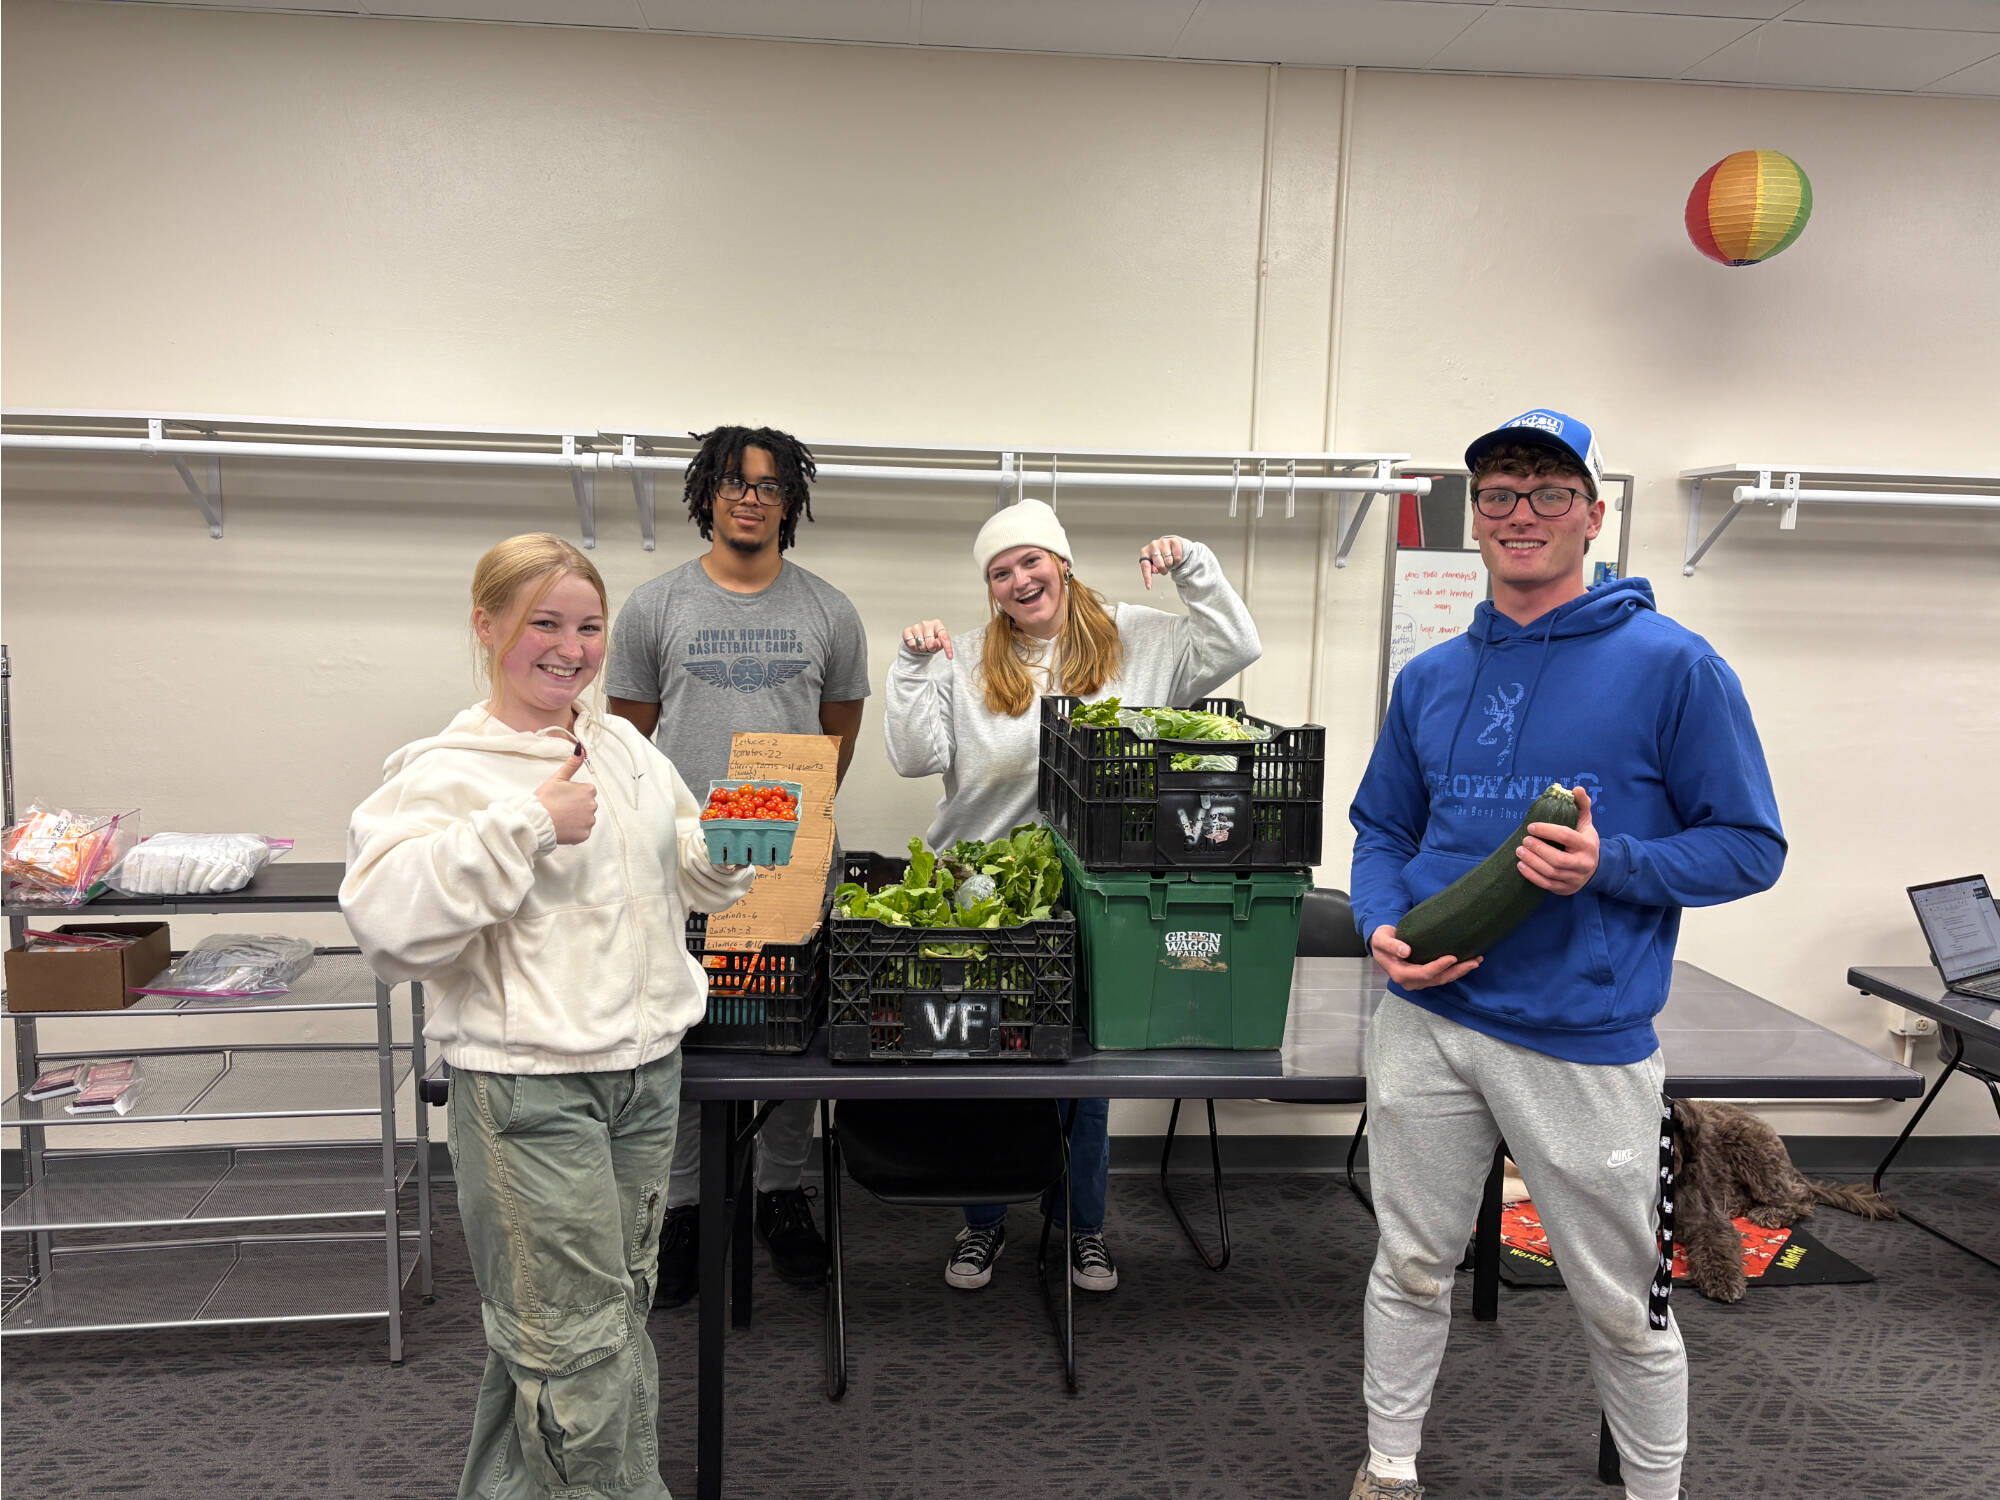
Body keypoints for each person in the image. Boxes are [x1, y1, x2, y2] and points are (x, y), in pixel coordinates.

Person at [1345, 410, 1786, 1500]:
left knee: (1617, 1299)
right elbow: (1381, 832)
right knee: (1406, 1264)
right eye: (1497, 492)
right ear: (1473, 518)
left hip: (1579, 1044)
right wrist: (1379, 928)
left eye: (1548, 491)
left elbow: (1748, 847)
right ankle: (1387, 1466)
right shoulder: (1431, 678)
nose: (1520, 513)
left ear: (1592, 515)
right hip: (1427, 1023)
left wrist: (1609, 865)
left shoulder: (1672, 667)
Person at [342, 533, 755, 1500]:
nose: (570, 648)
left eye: (589, 626)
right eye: (544, 624)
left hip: (646, 1078)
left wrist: (723, 856)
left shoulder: (623, 747)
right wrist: (525, 825)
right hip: (528, 1091)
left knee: (592, 1323)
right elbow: (387, 927)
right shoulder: (444, 770)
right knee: (571, 1346)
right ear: (486, 627)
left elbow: (679, 869)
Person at [886, 497, 1260, 1293]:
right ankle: (983, 1223)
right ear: (990, 588)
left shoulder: (1142, 638)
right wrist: (913, 668)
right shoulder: (965, 658)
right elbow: (916, 758)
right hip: (987, 893)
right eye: (1000, 572)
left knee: (1086, 1073)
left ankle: (1080, 1227)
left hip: (1101, 891)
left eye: (1031, 561)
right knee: (986, 1061)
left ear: (1062, 563)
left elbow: (1237, 642)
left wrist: (1192, 566)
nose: (1020, 580)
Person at [605, 424, 869, 1306]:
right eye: (733, 482)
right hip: (680, 863)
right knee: (681, 1034)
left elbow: (838, 741)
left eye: (768, 484)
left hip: (791, 860)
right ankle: (684, 1203)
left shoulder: (830, 610)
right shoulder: (655, 607)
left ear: (790, 501)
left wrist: (785, 813)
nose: (750, 497)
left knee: (789, 1040)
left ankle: (779, 1192)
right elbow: (628, 745)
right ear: (705, 496)